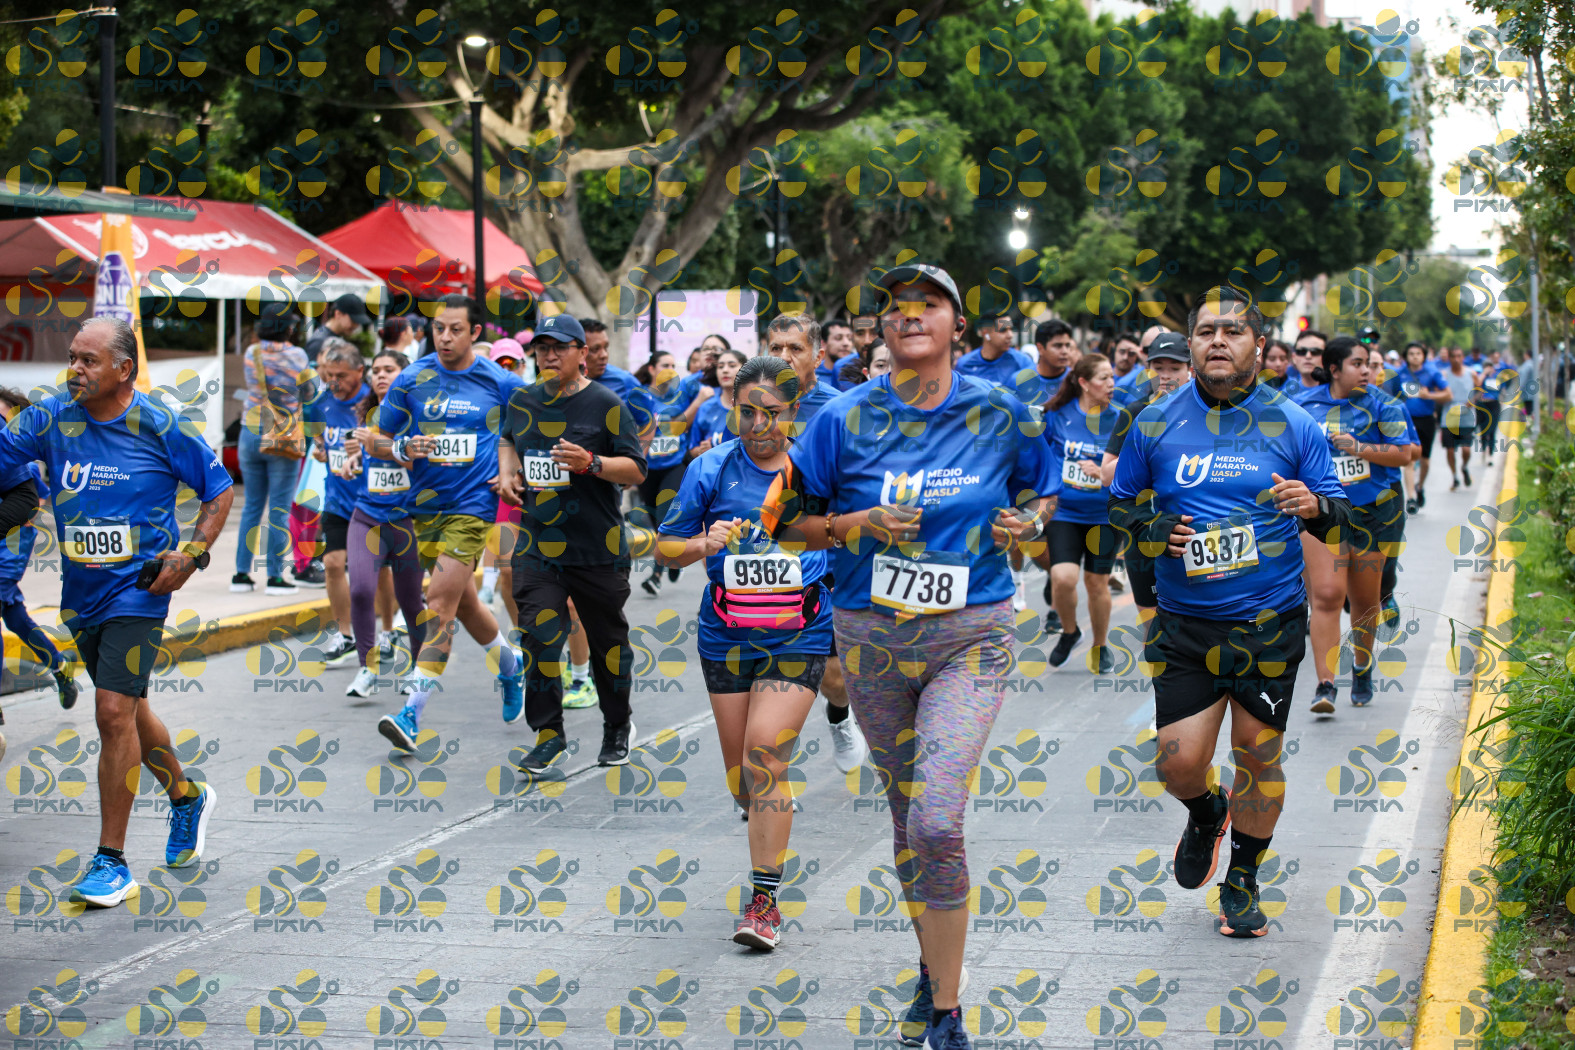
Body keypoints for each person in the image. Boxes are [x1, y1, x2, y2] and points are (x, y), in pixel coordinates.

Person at [763, 263, 1057, 1048]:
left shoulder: (1000, 410)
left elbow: (1042, 492)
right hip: (873, 640)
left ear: (957, 325)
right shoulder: (841, 419)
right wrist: (853, 525)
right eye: (895, 307)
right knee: (906, 818)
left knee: (934, 817)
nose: (910, 315)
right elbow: (784, 522)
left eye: (929, 305)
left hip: (971, 635)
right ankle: (932, 964)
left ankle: (947, 1014)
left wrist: (1028, 523)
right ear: (880, 329)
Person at [1108, 286, 1350, 940]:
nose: (1218, 340)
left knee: (1256, 754)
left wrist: (1313, 506)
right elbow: (1121, 505)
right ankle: (1206, 810)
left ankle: (1242, 878)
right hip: (1184, 623)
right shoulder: (1154, 421)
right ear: (1190, 344)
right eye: (1206, 330)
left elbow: (1337, 519)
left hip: (1267, 622)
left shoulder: (1292, 424)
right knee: (1177, 763)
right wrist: (1153, 529)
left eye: (1233, 330)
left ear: (1259, 346)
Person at [0, 317, 234, 907]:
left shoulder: (159, 424)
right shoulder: (50, 416)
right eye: (72, 358)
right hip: (81, 593)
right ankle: (186, 797)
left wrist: (193, 554)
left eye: (88, 361)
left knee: (111, 712)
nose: (74, 370)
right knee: (129, 710)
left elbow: (218, 488)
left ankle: (112, 862)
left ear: (124, 369)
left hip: (139, 590)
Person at [657, 355, 834, 949]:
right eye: (748, 412)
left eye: (772, 413)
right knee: (743, 780)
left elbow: (850, 533)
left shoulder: (817, 470)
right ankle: (764, 807)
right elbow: (664, 547)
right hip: (727, 634)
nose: (759, 425)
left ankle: (764, 903)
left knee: (764, 755)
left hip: (797, 631)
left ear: (794, 411)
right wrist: (701, 544)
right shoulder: (709, 468)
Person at [365, 294, 525, 751]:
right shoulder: (412, 378)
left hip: (473, 506)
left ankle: (411, 715)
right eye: (438, 329)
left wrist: (512, 469)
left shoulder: (501, 382)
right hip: (423, 508)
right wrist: (401, 448)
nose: (445, 337)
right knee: (465, 603)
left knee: (437, 606)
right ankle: (511, 666)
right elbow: (377, 439)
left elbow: (530, 430)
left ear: (475, 332)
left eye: (455, 329)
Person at [498, 314, 648, 771]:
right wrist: (507, 474)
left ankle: (618, 725)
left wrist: (591, 462)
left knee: (608, 647)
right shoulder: (522, 400)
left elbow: (636, 469)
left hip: (596, 548)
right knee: (539, 639)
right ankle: (549, 735)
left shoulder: (605, 403)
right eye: (542, 348)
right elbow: (507, 440)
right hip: (538, 546)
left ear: (582, 353)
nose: (549, 355)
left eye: (559, 347)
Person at [765, 315, 869, 774]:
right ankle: (761, 765)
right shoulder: (751, 407)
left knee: (834, 671)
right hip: (769, 558)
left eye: (795, 348)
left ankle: (841, 714)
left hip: (829, 552)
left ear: (818, 355)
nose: (784, 357)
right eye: (776, 348)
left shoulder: (840, 409)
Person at [1296, 336, 1416, 711]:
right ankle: (1325, 684)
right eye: (1358, 364)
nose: (1367, 370)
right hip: (1322, 511)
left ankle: (1362, 666)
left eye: (1368, 363)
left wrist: (1358, 447)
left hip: (1371, 513)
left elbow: (1404, 454)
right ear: (1334, 369)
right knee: (1327, 595)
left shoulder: (1384, 406)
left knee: (1364, 603)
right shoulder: (1302, 406)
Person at [344, 349, 430, 698]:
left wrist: (384, 446)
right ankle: (367, 668)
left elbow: (419, 464)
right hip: (366, 515)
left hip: (406, 520)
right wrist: (353, 459)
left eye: (389, 369)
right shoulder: (369, 415)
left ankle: (418, 669)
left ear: (405, 376)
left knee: (410, 601)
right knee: (360, 590)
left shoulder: (417, 417)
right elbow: (363, 454)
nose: (380, 375)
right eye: (376, 370)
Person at [1100, 332, 1192, 645]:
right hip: (1145, 534)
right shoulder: (1135, 413)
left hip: (1193, 533)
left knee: (1198, 631)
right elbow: (1106, 475)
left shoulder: (1206, 413)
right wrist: (1142, 454)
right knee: (1155, 638)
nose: (1165, 376)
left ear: (1190, 370)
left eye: (1174, 368)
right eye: (1158, 367)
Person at [1038, 354, 1119, 672]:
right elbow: (1040, 458)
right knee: (1062, 578)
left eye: (1112, 377)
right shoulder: (1057, 416)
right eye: (1103, 378)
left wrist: (1102, 472)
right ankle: (1070, 632)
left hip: (1103, 516)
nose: (1111, 384)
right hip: (1066, 512)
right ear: (1084, 382)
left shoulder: (1121, 420)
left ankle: (1100, 646)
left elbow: (1132, 467)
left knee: (1096, 583)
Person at [0, 388, 77, 709]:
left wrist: (19, 521)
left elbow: (37, 498)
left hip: (10, 546)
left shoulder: (23, 463)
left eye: (3, 417)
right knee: (15, 618)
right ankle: (59, 666)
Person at [232, 302, 313, 596]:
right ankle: (275, 577)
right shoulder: (298, 355)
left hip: (249, 431)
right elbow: (308, 393)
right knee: (279, 509)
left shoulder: (252, 353)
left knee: (252, 506)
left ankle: (241, 575)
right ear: (289, 327)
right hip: (282, 435)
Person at [301, 338, 367, 667]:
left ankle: (388, 630)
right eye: (328, 375)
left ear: (360, 371)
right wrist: (321, 449)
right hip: (337, 499)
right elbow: (318, 436)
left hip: (373, 500)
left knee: (375, 574)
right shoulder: (322, 402)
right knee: (333, 564)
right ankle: (345, 634)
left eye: (341, 375)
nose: (333, 382)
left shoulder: (374, 402)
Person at [633, 350, 710, 596]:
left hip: (674, 466)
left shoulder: (681, 392)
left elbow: (702, 376)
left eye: (674, 365)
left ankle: (656, 576)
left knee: (666, 515)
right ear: (652, 369)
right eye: (665, 365)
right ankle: (674, 559)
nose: (671, 370)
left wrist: (710, 361)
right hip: (648, 469)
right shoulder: (640, 396)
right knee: (656, 521)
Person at [479, 339, 528, 626]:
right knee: (508, 569)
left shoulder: (534, 397)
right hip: (501, 491)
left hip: (539, 491)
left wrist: (515, 470)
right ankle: (523, 638)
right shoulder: (483, 403)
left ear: (523, 365)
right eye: (499, 365)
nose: (506, 369)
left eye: (512, 364)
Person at [1384, 342, 1447, 513]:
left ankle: (1420, 486)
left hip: (1426, 419)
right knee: (1410, 459)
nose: (1415, 357)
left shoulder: (1431, 373)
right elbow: (1390, 396)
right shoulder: (1398, 374)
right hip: (1406, 420)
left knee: (1425, 460)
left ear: (1424, 356)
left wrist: (1430, 395)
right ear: (1406, 356)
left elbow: (1447, 394)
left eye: (1418, 353)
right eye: (1411, 354)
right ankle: (1411, 498)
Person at [688, 348, 749, 458]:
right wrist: (703, 451)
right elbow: (693, 449)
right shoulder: (706, 407)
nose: (725, 370)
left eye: (732, 365)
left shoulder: (755, 407)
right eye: (720, 367)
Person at [1439, 345, 1479, 491]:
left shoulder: (1471, 373)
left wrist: (1471, 402)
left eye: (1459, 356)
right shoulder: (1444, 374)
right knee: (1450, 450)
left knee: (1466, 450)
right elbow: (1438, 391)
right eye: (1453, 356)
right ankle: (1454, 476)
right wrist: (1444, 398)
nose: (1456, 359)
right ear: (1449, 358)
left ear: (1463, 357)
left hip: (1467, 417)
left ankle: (1464, 467)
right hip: (1449, 417)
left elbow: (1479, 390)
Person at [955, 314, 1034, 388]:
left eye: (1011, 329)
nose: (1010, 335)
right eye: (1003, 330)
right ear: (986, 333)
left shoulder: (1023, 362)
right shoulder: (964, 364)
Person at [303, 293, 372, 364]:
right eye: (353, 320)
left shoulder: (336, 336)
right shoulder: (319, 341)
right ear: (338, 314)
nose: (356, 326)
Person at [1475, 349, 1505, 466]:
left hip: (1494, 405)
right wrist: (1484, 374)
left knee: (1492, 430)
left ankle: (1491, 454)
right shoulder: (1481, 377)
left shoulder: (1498, 376)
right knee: (1483, 429)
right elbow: (1477, 385)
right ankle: (1483, 450)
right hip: (1482, 405)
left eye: (1490, 367)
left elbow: (1502, 389)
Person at [1286, 328, 1326, 401]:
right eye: (1302, 351)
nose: (1308, 356)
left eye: (1315, 352)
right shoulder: (1284, 396)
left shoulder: (1338, 394)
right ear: (1294, 357)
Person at [822, 319, 856, 391]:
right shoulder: (812, 373)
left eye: (850, 339)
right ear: (823, 343)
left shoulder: (860, 372)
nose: (846, 343)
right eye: (838, 338)